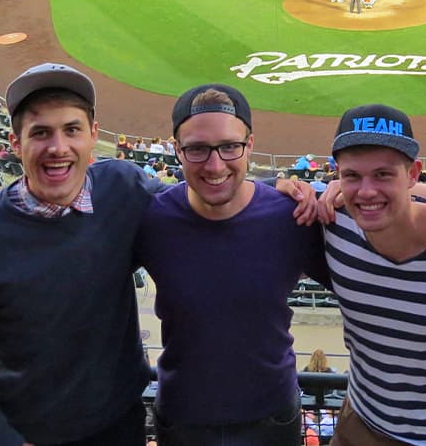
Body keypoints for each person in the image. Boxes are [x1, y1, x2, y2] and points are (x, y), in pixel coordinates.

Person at [0, 63, 160, 446]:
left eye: (72, 130)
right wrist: (1, 440)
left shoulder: (123, 186)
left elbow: (197, 206)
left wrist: (274, 191)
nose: (58, 148)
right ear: (17, 144)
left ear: (94, 136)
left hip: (122, 420)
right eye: (40, 133)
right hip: (36, 434)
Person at [138, 83, 327, 445]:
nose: (215, 165)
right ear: (177, 150)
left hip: (273, 416)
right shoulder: (149, 219)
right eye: (197, 149)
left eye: (229, 147)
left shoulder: (294, 216)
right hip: (182, 418)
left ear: (250, 145)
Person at [324, 103, 426, 445]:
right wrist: (283, 183)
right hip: (360, 425)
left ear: (414, 174)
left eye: (383, 174)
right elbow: (249, 194)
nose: (366, 191)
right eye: (351, 176)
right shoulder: (329, 220)